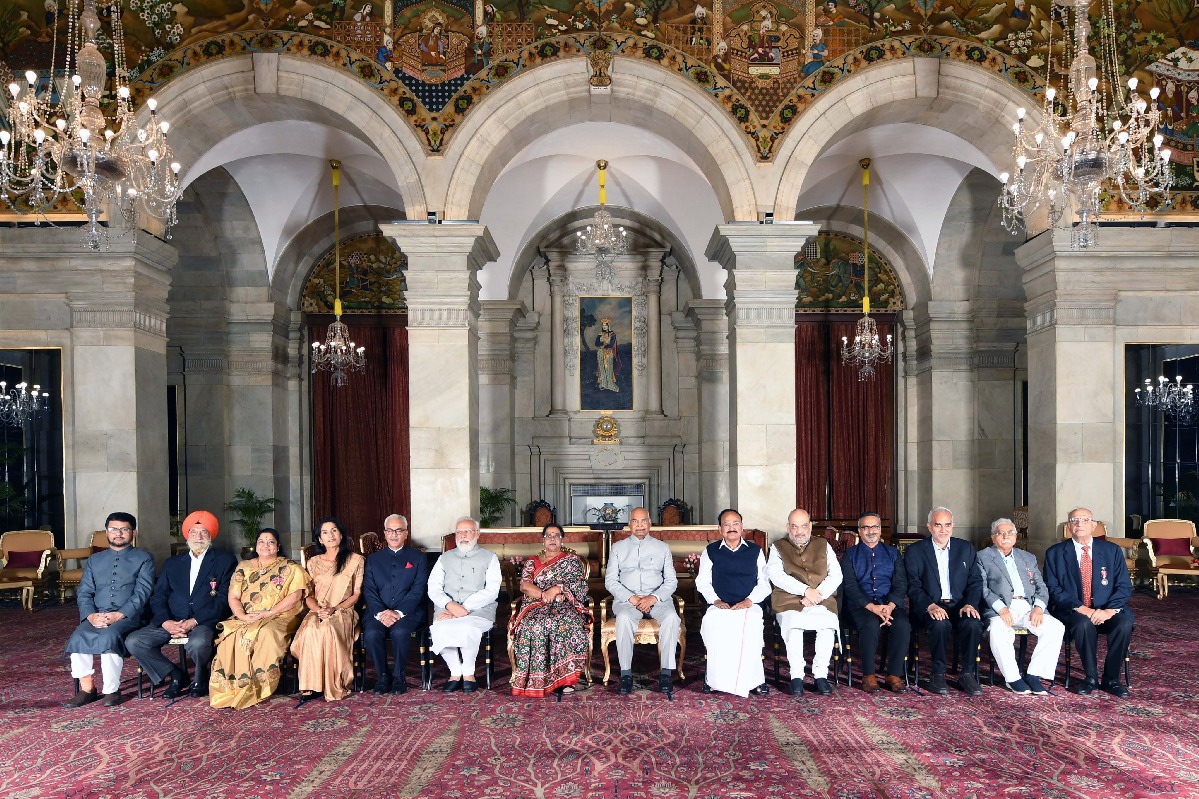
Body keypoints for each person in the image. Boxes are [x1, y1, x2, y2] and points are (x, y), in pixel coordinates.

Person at [125, 510, 236, 700]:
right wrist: (166, 622)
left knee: (199, 643)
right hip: (172, 620)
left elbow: (223, 599)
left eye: (203, 532)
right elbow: (158, 596)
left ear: (211, 536)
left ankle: (201, 679)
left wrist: (194, 621)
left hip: (203, 621)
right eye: (194, 532)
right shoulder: (172, 563)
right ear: (187, 535)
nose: (198, 537)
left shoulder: (225, 561)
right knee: (134, 641)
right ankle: (175, 674)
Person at [209, 528, 309, 709]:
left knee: (265, 632)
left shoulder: (291, 568)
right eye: (261, 541)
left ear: (278, 546)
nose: (266, 545)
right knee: (231, 635)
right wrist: (241, 616)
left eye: (271, 542)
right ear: (256, 545)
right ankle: (233, 687)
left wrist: (269, 612)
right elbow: (233, 596)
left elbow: (295, 596)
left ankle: (257, 685)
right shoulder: (244, 567)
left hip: (280, 615)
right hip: (246, 615)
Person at [64, 512, 156, 707]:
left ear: (134, 532)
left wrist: (119, 615)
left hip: (129, 616)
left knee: (109, 638)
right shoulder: (94, 560)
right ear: (106, 532)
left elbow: (142, 593)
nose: (119, 533)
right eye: (114, 529)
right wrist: (90, 616)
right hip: (97, 616)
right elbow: (84, 593)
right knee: (78, 637)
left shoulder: (144, 558)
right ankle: (87, 689)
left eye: (124, 529)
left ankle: (111, 690)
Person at [1044, 507, 1134, 697]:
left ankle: (1112, 679)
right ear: (1068, 526)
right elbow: (1052, 589)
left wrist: (1109, 611)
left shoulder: (1112, 551)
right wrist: (1082, 608)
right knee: (1083, 625)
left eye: (1085, 520)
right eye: (1074, 520)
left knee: (1124, 623)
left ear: (1094, 525)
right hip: (1074, 610)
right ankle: (1090, 678)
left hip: (1108, 609)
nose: (1079, 524)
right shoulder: (1055, 553)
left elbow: (1124, 586)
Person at [977, 518, 1064, 695]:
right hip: (999, 608)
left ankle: (1034, 675)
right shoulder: (982, 556)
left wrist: (1039, 607)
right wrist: (1001, 609)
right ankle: (1013, 678)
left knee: (1056, 627)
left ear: (1016, 536)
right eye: (1001, 533)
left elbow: (1041, 587)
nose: (1006, 536)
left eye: (1010, 532)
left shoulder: (1027, 557)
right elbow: (982, 587)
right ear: (993, 537)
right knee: (998, 630)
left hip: (1028, 607)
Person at [904, 506, 984, 696]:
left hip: (960, 605)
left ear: (953, 526)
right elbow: (912, 585)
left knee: (973, 624)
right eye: (938, 525)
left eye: (947, 525)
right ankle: (937, 673)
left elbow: (975, 581)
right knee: (940, 624)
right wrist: (929, 605)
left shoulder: (965, 548)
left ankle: (967, 673)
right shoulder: (915, 551)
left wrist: (970, 603)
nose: (943, 530)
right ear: (929, 526)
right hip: (929, 606)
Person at [509, 523, 593, 698]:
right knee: (533, 624)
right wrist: (545, 595)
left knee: (563, 622)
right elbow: (525, 586)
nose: (552, 539)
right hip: (536, 604)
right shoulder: (532, 562)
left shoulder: (572, 560)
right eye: (549, 535)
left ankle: (565, 680)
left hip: (565, 605)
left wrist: (558, 588)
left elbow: (579, 586)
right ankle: (537, 680)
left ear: (561, 539)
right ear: (543, 540)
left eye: (556, 535)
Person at [604, 506, 680, 696]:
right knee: (623, 619)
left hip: (658, 599)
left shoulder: (662, 547)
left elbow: (671, 581)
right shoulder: (618, 547)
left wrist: (653, 597)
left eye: (643, 521)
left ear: (650, 523)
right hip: (628, 601)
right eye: (635, 521)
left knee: (671, 617)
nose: (639, 525)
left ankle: (666, 673)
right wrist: (632, 598)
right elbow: (611, 581)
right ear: (629, 524)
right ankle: (626, 674)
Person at [696, 509, 771, 697]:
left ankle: (755, 680)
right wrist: (715, 600)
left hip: (749, 605)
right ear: (720, 529)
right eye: (727, 525)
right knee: (712, 623)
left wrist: (749, 601)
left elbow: (764, 583)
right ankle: (713, 680)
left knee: (752, 626)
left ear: (742, 527)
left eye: (735, 523)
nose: (731, 528)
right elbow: (702, 582)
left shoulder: (755, 551)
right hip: (719, 604)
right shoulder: (711, 551)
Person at [767, 508, 842, 696]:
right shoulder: (777, 546)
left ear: (810, 526)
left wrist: (818, 594)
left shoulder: (824, 544)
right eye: (794, 526)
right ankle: (797, 675)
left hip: (821, 598)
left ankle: (820, 674)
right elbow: (776, 576)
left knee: (827, 624)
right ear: (788, 527)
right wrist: (805, 590)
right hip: (789, 599)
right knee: (793, 624)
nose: (799, 531)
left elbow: (837, 575)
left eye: (803, 526)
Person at [290, 517, 365, 702]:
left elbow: (356, 594)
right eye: (325, 532)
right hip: (318, 609)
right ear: (320, 539)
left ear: (341, 534)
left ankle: (332, 684)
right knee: (310, 630)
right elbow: (309, 595)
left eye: (334, 531)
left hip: (343, 611)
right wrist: (318, 610)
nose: (330, 535)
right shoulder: (313, 562)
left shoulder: (355, 560)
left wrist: (334, 609)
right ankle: (310, 685)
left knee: (327, 629)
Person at [428, 516, 501, 692]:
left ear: (477, 534)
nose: (463, 535)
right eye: (459, 532)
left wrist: (465, 608)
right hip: (447, 609)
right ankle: (455, 671)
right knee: (439, 628)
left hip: (479, 611)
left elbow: (492, 590)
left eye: (467, 531)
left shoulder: (490, 557)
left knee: (467, 628)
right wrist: (449, 605)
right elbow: (433, 588)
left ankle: (468, 672)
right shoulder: (444, 558)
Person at [841, 512, 909, 694]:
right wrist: (872, 607)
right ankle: (868, 675)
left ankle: (893, 674)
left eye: (875, 527)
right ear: (859, 531)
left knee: (902, 624)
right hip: (860, 606)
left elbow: (901, 583)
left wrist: (890, 606)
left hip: (889, 604)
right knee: (871, 624)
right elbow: (850, 587)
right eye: (866, 527)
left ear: (880, 530)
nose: (871, 531)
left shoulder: (893, 553)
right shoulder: (849, 555)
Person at [363, 513, 429, 694]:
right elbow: (369, 590)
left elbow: (418, 590)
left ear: (406, 533)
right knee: (371, 633)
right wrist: (380, 612)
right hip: (378, 611)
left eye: (399, 530)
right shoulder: (373, 559)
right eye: (390, 530)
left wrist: (399, 612)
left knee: (400, 631)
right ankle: (383, 676)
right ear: (384, 533)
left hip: (409, 611)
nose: (394, 534)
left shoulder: (418, 558)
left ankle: (399, 676)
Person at [594, 318, 619, 392]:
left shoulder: (612, 334)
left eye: (606, 325)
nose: (604, 327)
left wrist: (604, 345)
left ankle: (610, 384)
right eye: (603, 325)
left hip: (608, 352)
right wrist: (603, 343)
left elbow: (611, 344)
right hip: (600, 352)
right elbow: (596, 344)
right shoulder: (600, 334)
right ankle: (603, 384)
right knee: (602, 367)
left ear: (608, 326)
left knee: (609, 368)